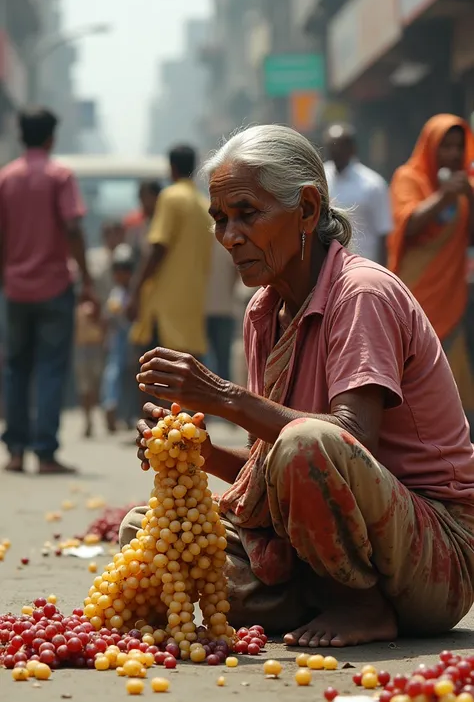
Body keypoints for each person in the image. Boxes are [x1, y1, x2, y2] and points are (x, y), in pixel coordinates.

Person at [121, 124, 474, 648]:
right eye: (220, 219)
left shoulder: (361, 294)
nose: (230, 236)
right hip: (328, 543)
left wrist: (221, 396)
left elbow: (343, 442)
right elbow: (278, 474)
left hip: (431, 553)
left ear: (307, 210)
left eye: (248, 213)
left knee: (307, 441)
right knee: (150, 532)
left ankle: (359, 604)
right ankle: (315, 595)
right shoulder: (264, 311)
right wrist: (200, 453)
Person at [0, 107, 94, 474]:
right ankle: (45, 451)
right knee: (52, 369)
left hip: (16, 289)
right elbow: (72, 228)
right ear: (51, 138)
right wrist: (86, 279)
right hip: (54, 286)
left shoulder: (6, 179)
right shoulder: (60, 176)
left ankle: (17, 450)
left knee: (16, 369)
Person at [388, 114, 474, 431]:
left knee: (455, 385)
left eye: (458, 147)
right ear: (430, 147)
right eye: (445, 146)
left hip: (451, 301)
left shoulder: (465, 185)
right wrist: (445, 196)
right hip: (415, 299)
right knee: (413, 376)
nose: (452, 154)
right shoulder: (409, 178)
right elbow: (408, 224)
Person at [128, 145, 212, 363]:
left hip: (164, 310)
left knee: (152, 377)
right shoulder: (204, 206)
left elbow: (158, 248)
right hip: (192, 307)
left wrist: (135, 290)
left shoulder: (170, 197)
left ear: (172, 168)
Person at [324, 123, 392, 265]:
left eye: (340, 145)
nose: (336, 150)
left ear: (352, 149)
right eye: (332, 145)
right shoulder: (320, 178)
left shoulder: (373, 184)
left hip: (363, 264)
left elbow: (383, 232)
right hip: (327, 265)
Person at [101, 243, 136, 432]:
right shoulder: (116, 293)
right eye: (119, 269)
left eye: (126, 268)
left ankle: (129, 415)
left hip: (135, 340)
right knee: (114, 373)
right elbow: (109, 315)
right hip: (118, 341)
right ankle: (111, 405)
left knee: (133, 379)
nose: (122, 273)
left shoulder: (136, 292)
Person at [205, 231, 238, 383]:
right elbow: (236, 271)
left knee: (206, 363)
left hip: (204, 310)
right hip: (225, 308)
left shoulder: (199, 242)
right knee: (222, 363)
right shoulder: (226, 242)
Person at [74, 299, 105, 438]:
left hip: (95, 347)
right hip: (81, 348)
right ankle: (88, 420)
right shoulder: (75, 307)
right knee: (85, 389)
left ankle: (100, 417)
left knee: (96, 387)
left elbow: (104, 326)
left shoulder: (97, 306)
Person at [123, 180, 162, 267]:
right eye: (140, 197)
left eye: (146, 197)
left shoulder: (165, 222)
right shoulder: (134, 224)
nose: (143, 202)